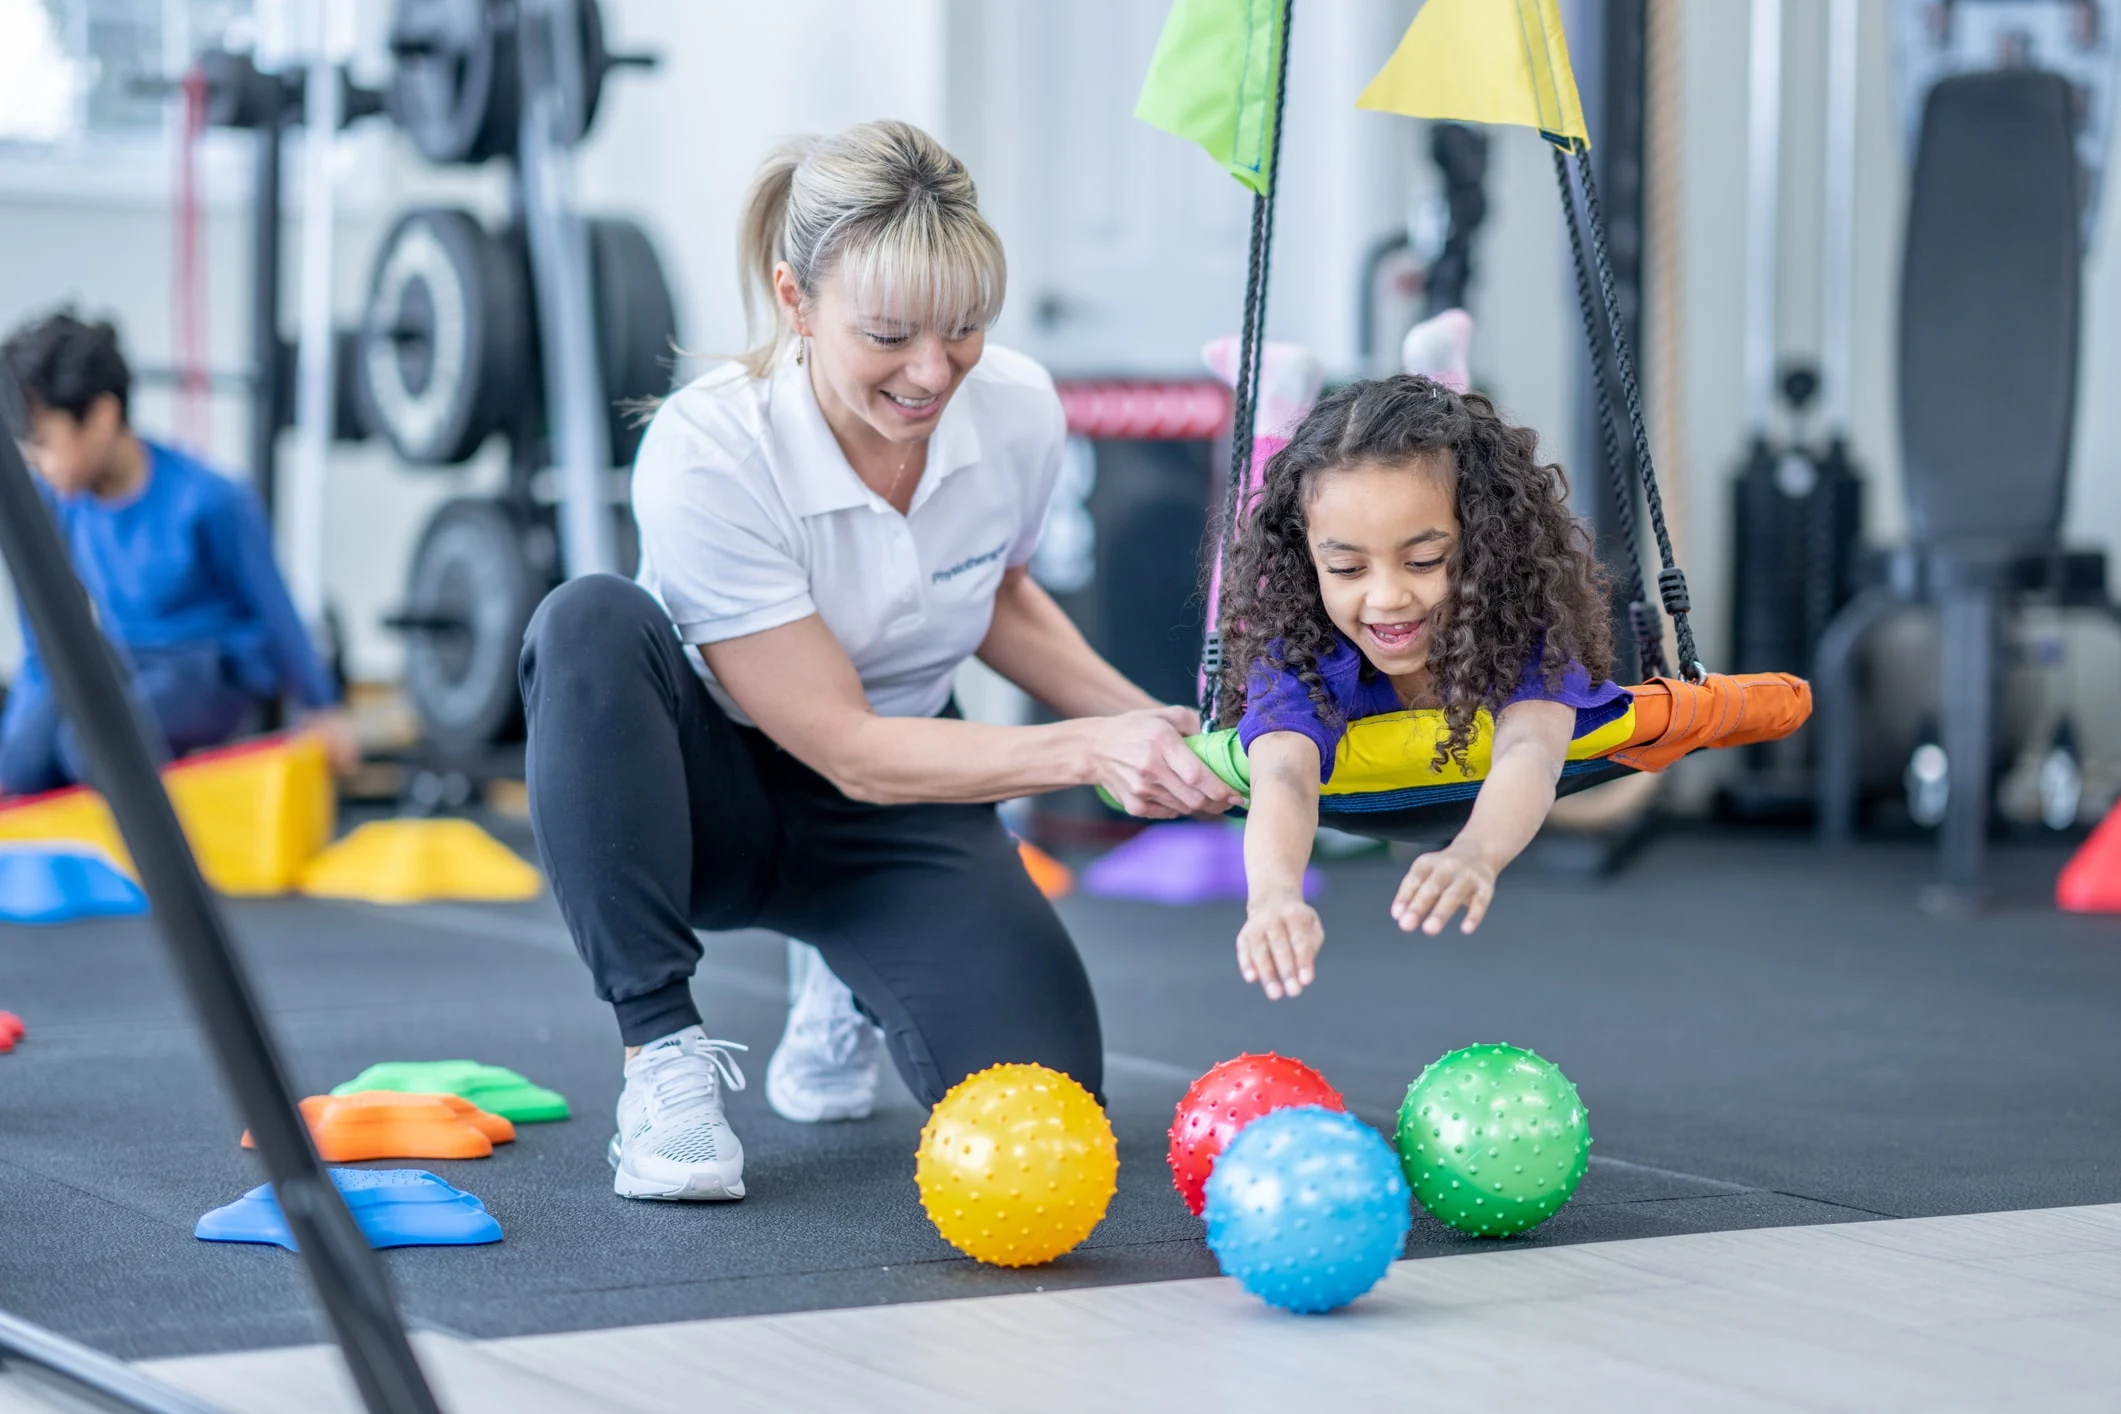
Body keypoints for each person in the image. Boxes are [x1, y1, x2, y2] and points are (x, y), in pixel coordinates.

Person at [520, 120, 1237, 1203]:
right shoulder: (706, 449)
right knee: (586, 623)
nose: (932, 369)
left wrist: (1173, 732)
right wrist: (1092, 750)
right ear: (795, 301)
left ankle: (839, 975)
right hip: (699, 800)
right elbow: (846, 748)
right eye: (891, 334)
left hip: (897, 806)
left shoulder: (1020, 414)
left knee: (1044, 1102)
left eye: (963, 329)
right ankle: (660, 1054)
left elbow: (994, 593)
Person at [1221, 375, 1623, 1000]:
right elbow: (1283, 776)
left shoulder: (1524, 634)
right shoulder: (1304, 653)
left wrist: (1476, 853)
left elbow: (1531, 752)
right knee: (1226, 666)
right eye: (1347, 569)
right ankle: (1280, 396)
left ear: (1488, 547)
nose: (1387, 597)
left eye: (1425, 561)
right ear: (1312, 564)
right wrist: (1273, 897)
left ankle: (1443, 372)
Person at [0, 311, 357, 795]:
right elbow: (43, 650)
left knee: (90, 750)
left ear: (102, 418)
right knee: (20, 765)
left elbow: (276, 612)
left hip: (212, 669)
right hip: (127, 661)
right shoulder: (55, 504)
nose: (35, 463)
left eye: (43, 443)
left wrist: (322, 706)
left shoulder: (209, 499)